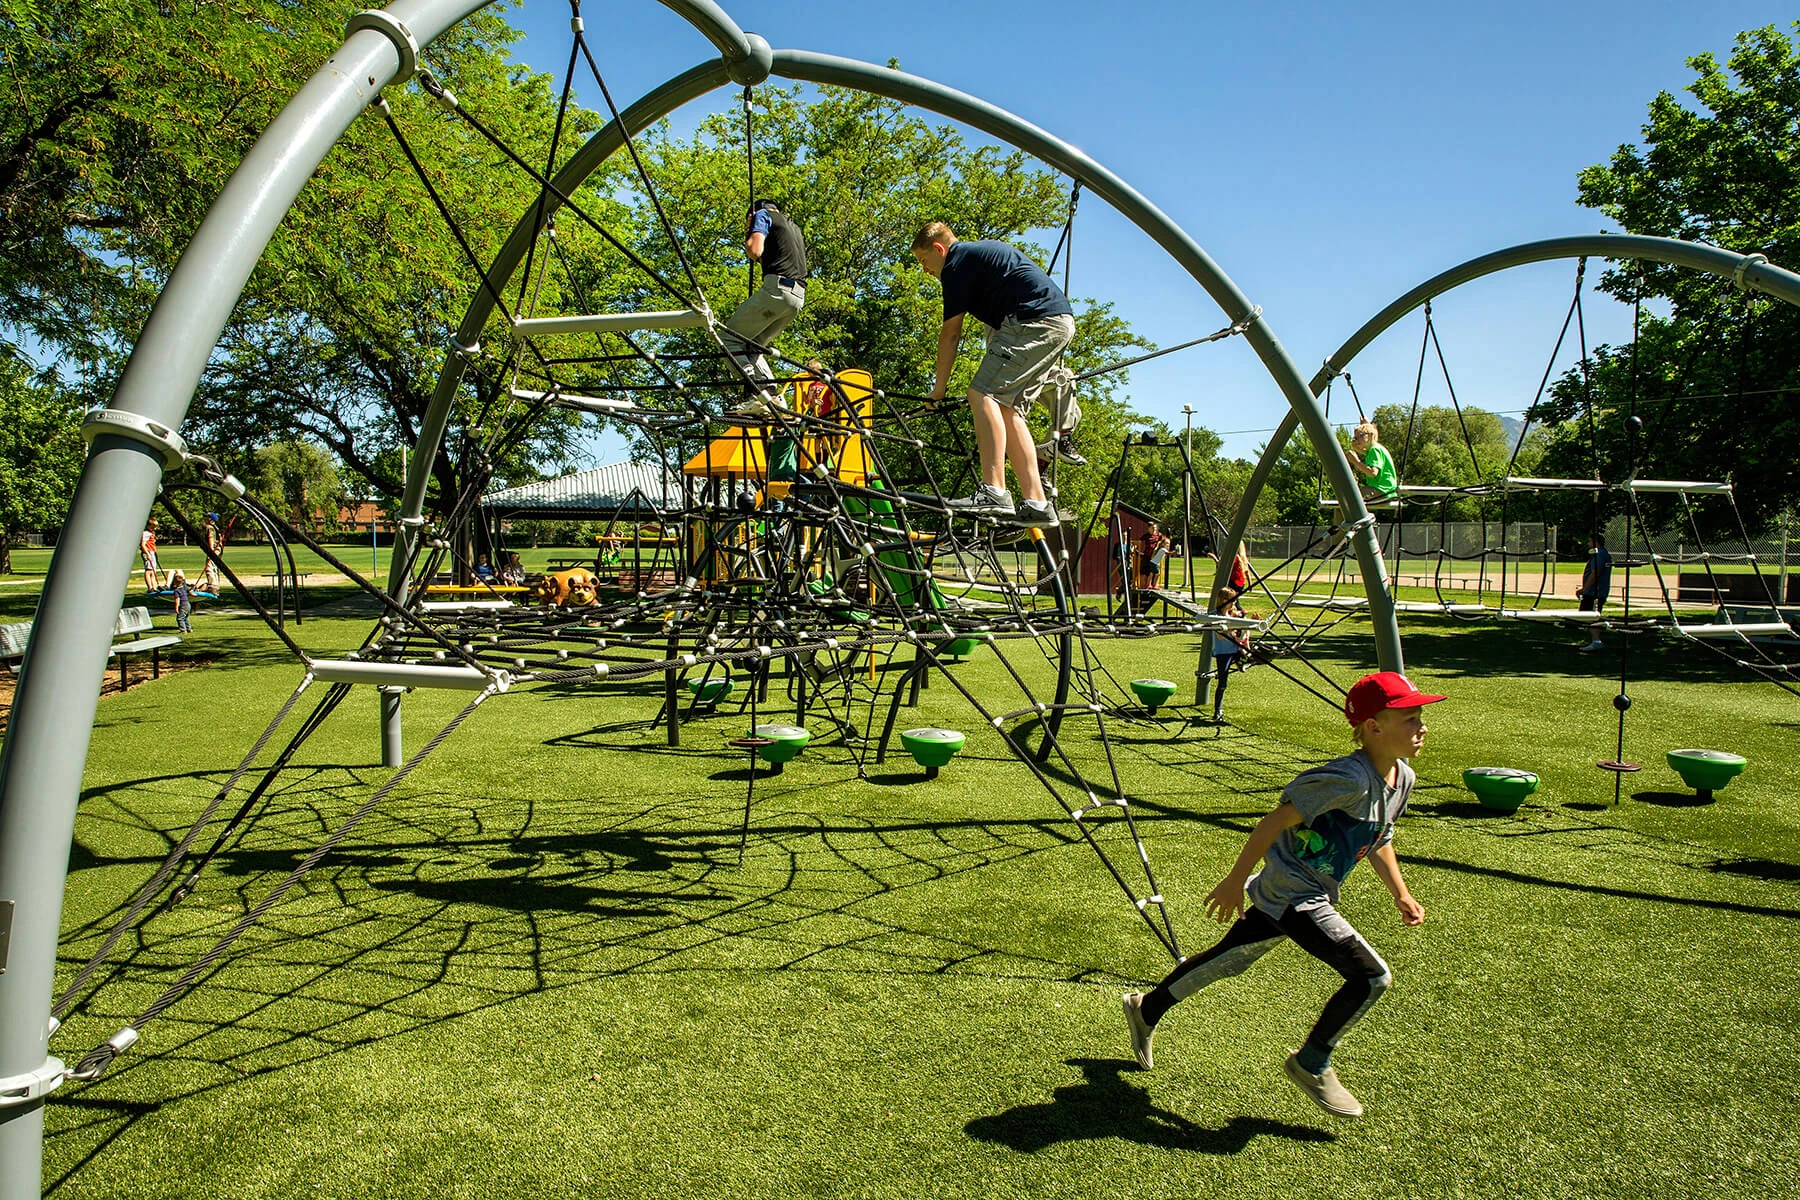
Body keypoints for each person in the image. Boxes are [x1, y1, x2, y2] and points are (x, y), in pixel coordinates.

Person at [1120, 670, 1444, 1120]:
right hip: (1294, 893)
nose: (1422, 726)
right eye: (1410, 718)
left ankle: (1146, 1008)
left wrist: (1401, 894)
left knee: (1227, 960)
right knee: (1371, 977)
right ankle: (1311, 1063)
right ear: (1374, 727)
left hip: (1310, 893)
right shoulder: (1347, 779)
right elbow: (1274, 822)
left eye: (1421, 717)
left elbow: (1380, 836)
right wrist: (1235, 880)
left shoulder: (1402, 778)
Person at [911, 222, 1074, 528]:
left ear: (938, 249)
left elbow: (950, 334)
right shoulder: (978, 258)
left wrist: (938, 390)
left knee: (981, 394)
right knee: (1007, 409)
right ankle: (1037, 502)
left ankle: (994, 491)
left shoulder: (956, 264)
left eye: (924, 262)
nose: (925, 270)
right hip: (1057, 322)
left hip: (1033, 320)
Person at [722, 199, 808, 414]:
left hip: (777, 290)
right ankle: (772, 395)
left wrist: (751, 229)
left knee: (727, 337)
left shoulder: (762, 216)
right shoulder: (793, 227)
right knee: (752, 345)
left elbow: (755, 250)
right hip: (797, 297)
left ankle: (753, 392)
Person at [1209, 586, 1248, 723]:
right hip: (1223, 652)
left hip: (1235, 649)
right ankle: (1217, 710)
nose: (1234, 602)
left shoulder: (1233, 615)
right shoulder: (1216, 616)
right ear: (1224, 600)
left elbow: (1241, 633)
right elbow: (1220, 636)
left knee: (1252, 656)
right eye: (1232, 600)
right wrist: (1233, 627)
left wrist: (1245, 624)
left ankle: (1242, 662)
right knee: (1222, 682)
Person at [1344, 422, 1398, 502]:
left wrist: (1356, 461)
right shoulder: (1376, 449)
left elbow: (1373, 473)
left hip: (1381, 490)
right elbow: (1365, 452)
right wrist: (1356, 447)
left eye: (1360, 436)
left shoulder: (1374, 450)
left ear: (1371, 435)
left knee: (1347, 500)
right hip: (1387, 490)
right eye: (1355, 438)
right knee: (1348, 500)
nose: (1357, 440)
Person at [1577, 532, 1612, 652]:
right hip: (1595, 592)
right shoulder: (1601, 554)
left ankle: (1596, 641)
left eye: (1590, 541)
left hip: (1594, 593)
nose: (1588, 544)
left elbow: (1595, 573)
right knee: (1587, 616)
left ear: (1595, 542)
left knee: (1590, 617)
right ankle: (1594, 639)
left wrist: (1584, 589)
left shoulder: (1600, 555)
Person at [1138, 520, 1169, 592]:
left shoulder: (1159, 535)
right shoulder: (1146, 535)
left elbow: (1165, 541)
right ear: (1149, 528)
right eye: (1152, 528)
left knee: (1154, 572)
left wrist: (1163, 551)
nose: (1154, 530)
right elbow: (1139, 541)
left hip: (1154, 556)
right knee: (1144, 572)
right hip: (1146, 556)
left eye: (1155, 528)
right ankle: (1143, 587)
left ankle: (1153, 585)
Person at [201, 512, 223, 593]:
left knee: (209, 567)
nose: (204, 519)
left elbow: (211, 539)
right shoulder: (216, 527)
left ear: (210, 519)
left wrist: (210, 552)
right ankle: (216, 585)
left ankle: (212, 586)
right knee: (215, 567)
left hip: (214, 549)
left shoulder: (209, 527)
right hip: (219, 549)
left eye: (206, 517)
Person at [140, 518, 162, 591]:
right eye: (153, 527)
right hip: (148, 552)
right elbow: (143, 545)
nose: (154, 528)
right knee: (149, 570)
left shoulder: (151, 533)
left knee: (153, 571)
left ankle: (154, 587)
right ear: (148, 526)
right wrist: (147, 554)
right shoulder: (146, 533)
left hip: (152, 552)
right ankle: (150, 587)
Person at [169, 569, 193, 634]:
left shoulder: (176, 591)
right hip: (188, 604)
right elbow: (189, 591)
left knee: (180, 618)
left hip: (183, 605)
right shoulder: (184, 588)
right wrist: (193, 594)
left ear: (174, 583)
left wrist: (176, 608)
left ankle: (183, 630)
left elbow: (177, 600)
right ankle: (189, 629)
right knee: (186, 617)